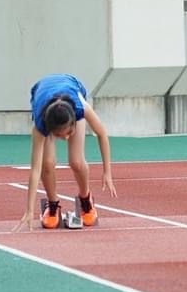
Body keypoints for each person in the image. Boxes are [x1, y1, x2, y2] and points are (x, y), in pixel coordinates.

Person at [13, 74, 117, 232]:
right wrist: (29, 210)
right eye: (60, 135)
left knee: (76, 161)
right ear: (50, 129)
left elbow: (102, 134)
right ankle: (52, 204)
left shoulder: (80, 107)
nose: (66, 138)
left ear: (74, 121)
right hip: (43, 97)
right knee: (46, 163)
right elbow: (35, 170)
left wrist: (107, 172)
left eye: (69, 132)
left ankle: (85, 199)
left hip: (70, 91)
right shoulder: (40, 125)